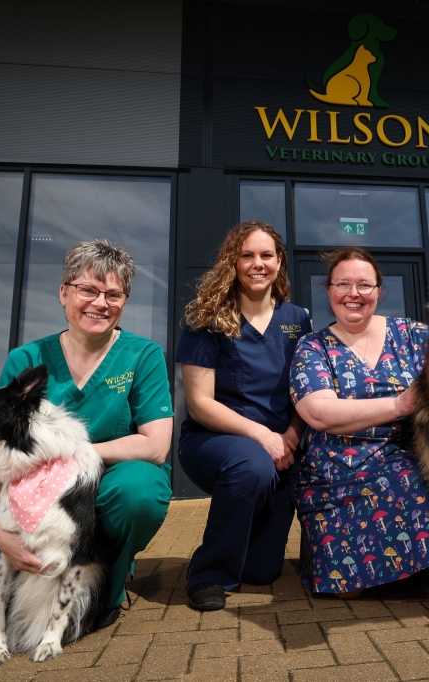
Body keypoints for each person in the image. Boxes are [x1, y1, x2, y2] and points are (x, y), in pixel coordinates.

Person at [0, 240, 174, 648]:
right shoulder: (25, 359)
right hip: (27, 507)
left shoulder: (142, 355)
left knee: (139, 492)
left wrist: (69, 456)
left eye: (113, 294)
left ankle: (108, 591)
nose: (100, 303)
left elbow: (155, 446)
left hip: (98, 494)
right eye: (88, 290)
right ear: (64, 293)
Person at [176, 221, 311, 611]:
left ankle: (240, 549)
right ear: (232, 262)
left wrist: (289, 435)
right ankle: (207, 573)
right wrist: (263, 436)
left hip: (281, 446)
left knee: (262, 571)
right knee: (252, 467)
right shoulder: (207, 318)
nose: (257, 264)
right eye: (247, 255)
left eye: (266, 255)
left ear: (279, 261)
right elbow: (201, 403)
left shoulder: (298, 320)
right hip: (214, 441)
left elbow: (306, 391)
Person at [291, 247, 429, 597]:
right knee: (346, 591)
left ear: (378, 291)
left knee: (418, 480)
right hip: (332, 473)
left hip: (404, 458)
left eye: (364, 285)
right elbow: (318, 412)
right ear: (329, 291)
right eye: (343, 284)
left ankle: (420, 571)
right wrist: (400, 403)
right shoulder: (312, 346)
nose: (353, 294)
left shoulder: (413, 334)